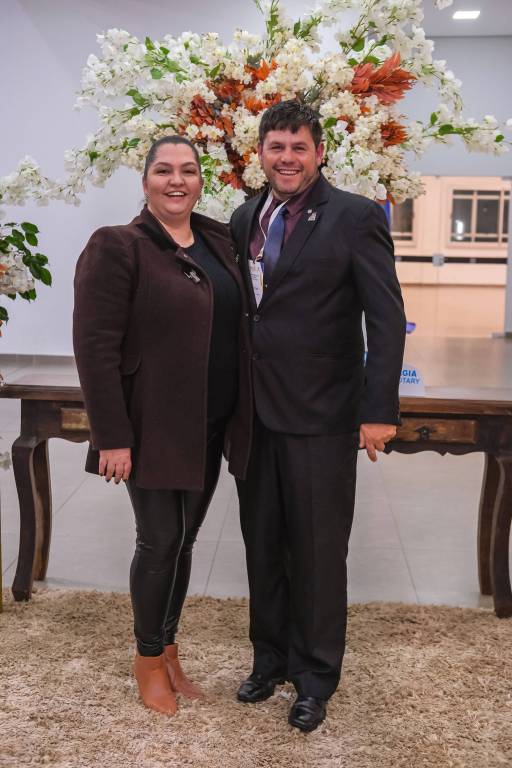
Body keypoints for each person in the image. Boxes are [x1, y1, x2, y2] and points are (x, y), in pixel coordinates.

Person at [230, 101, 406, 732]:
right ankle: (269, 660)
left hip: (323, 416)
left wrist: (378, 409)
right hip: (256, 416)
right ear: (259, 152)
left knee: (317, 552)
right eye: (276, 147)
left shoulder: (355, 217)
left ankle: (314, 678)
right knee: (263, 547)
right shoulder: (244, 216)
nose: (287, 158)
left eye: (298, 147)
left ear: (320, 152)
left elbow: (386, 318)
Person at [73, 135, 251, 716]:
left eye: (189, 170)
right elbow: (95, 348)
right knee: (160, 541)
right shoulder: (118, 245)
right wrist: (112, 437)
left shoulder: (219, 239)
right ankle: (147, 658)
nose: (177, 181)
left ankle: (170, 648)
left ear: (202, 181)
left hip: (210, 423)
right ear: (145, 179)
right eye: (164, 170)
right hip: (151, 425)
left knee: (186, 539)